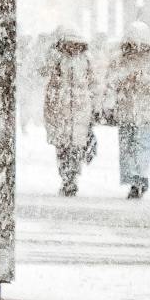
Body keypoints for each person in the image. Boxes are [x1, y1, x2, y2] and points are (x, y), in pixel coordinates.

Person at [106, 21, 150, 198]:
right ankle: (133, 180)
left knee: (141, 146)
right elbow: (111, 80)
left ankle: (140, 179)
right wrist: (126, 79)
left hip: (145, 112)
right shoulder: (118, 59)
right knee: (127, 147)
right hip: (126, 110)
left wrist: (144, 79)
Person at [42, 27, 98, 197]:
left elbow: (93, 83)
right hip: (61, 111)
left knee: (75, 148)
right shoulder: (56, 59)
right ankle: (66, 178)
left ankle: (72, 178)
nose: (72, 47)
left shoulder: (86, 60)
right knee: (63, 148)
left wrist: (94, 105)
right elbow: (45, 75)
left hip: (80, 111)